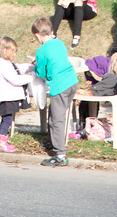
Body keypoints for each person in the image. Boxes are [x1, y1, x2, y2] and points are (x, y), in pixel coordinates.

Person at [31, 15, 78, 167]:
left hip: (59, 86)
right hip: (71, 82)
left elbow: (42, 73)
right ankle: (55, 141)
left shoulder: (41, 51)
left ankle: (60, 154)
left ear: (38, 35)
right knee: (59, 114)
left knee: (56, 120)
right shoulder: (59, 43)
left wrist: (36, 66)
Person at [0, 35, 33, 153]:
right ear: (5, 50)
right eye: (13, 51)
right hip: (6, 98)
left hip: (9, 97)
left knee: (7, 119)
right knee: (7, 119)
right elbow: (15, 79)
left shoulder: (7, 63)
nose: (15, 54)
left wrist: (31, 67)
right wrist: (31, 77)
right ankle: (2, 141)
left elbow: (18, 68)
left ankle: (2, 137)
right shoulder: (2, 64)